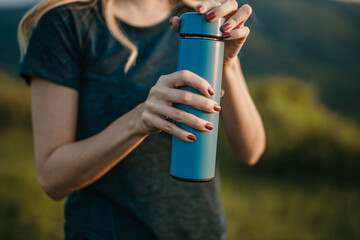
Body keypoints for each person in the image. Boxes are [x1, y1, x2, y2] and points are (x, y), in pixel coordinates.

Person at [18, 0, 265, 239]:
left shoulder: (199, 18)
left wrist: (227, 65)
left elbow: (251, 151)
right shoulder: (66, 23)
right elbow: (52, 179)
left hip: (204, 232)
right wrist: (138, 121)